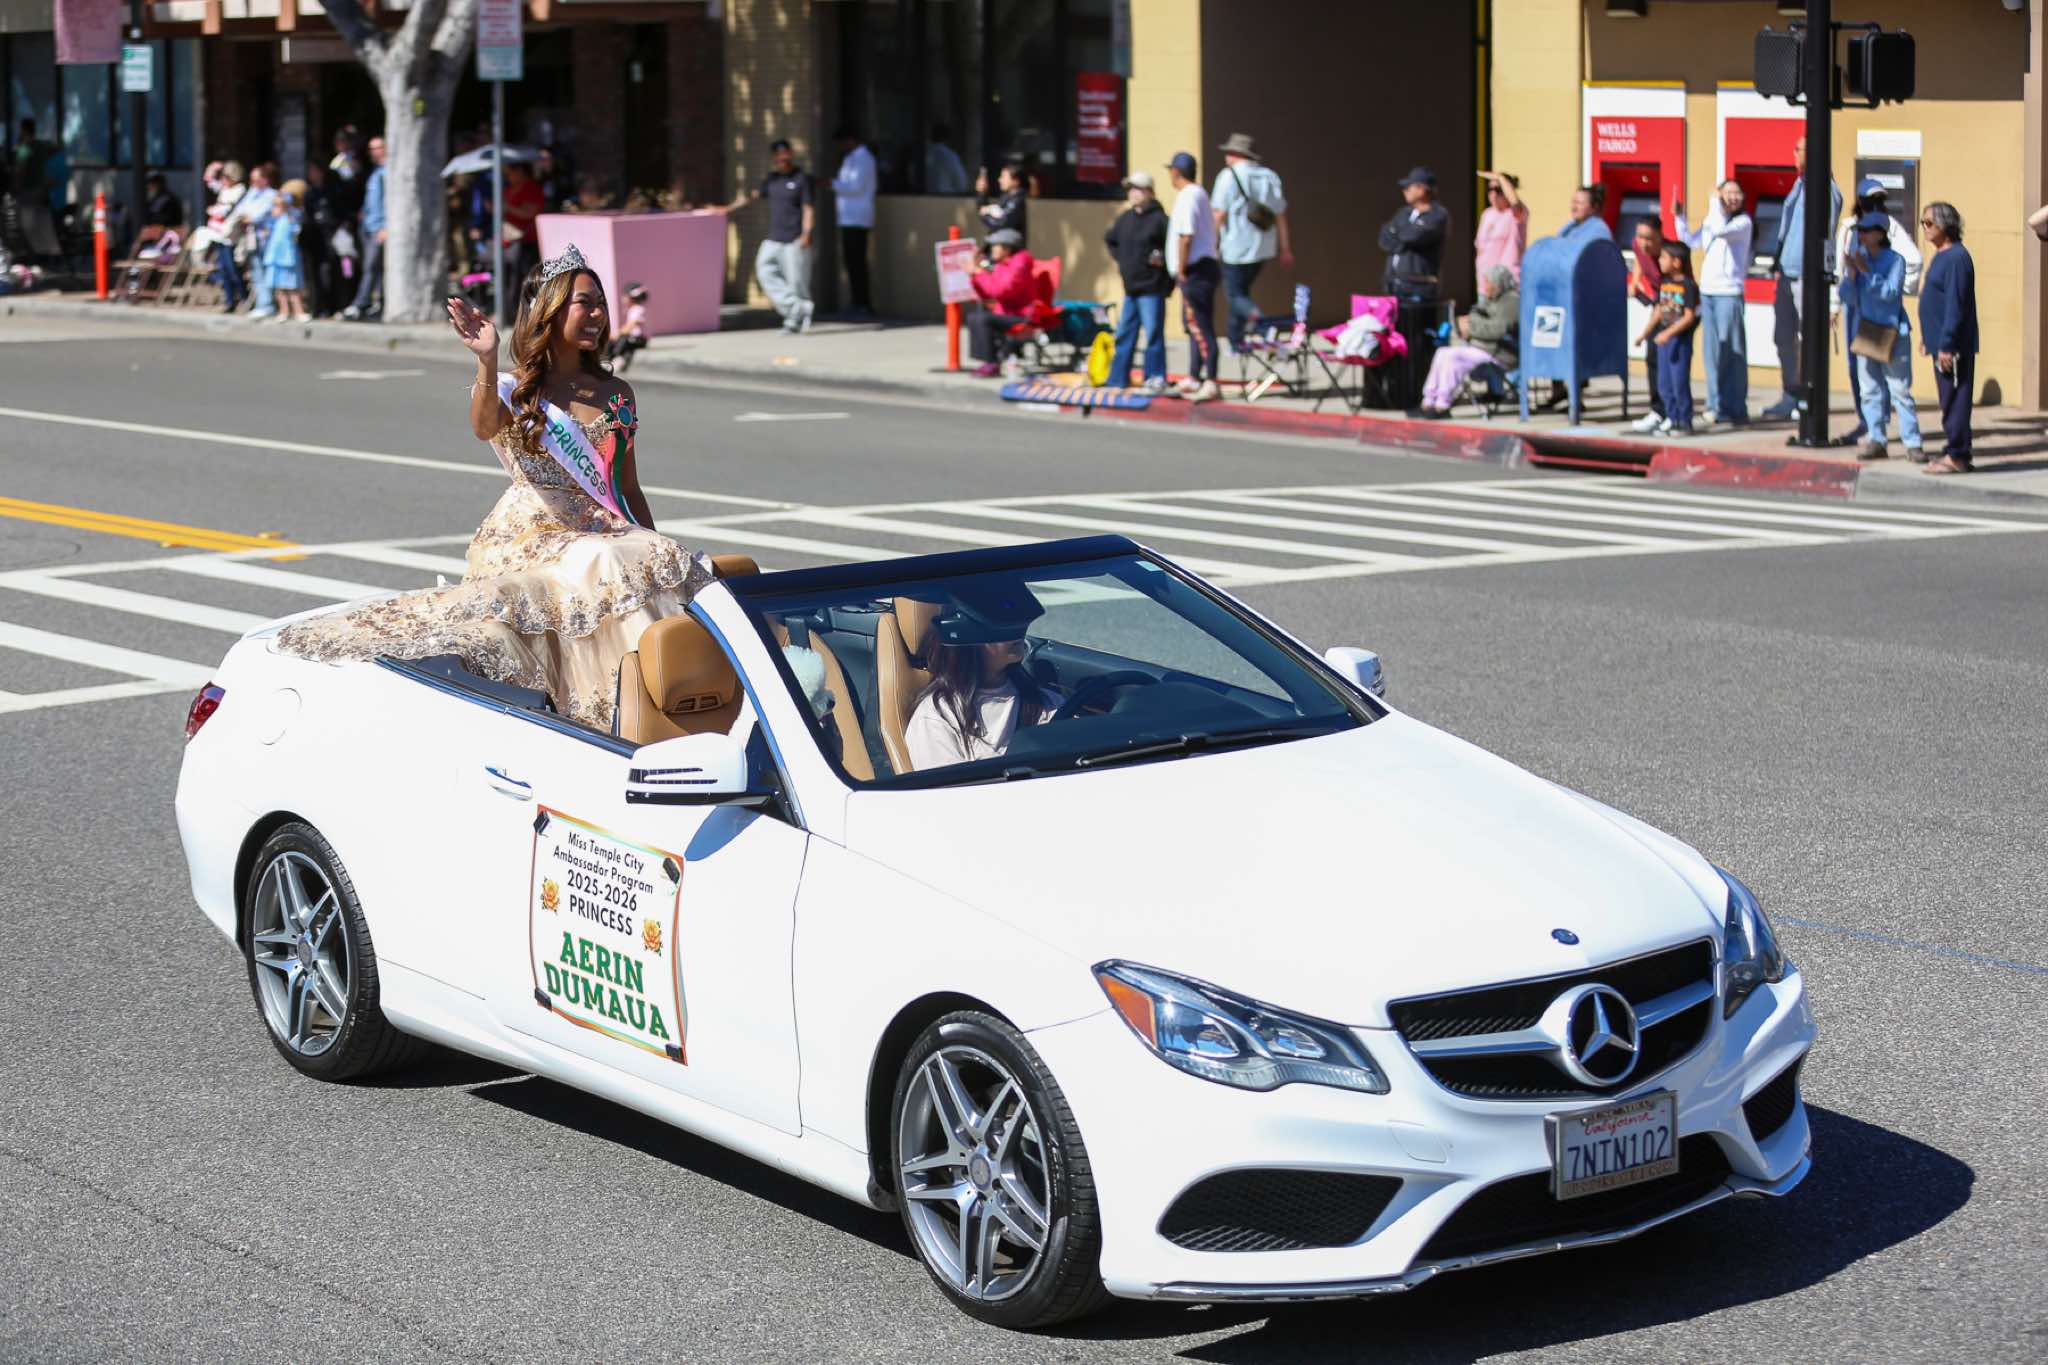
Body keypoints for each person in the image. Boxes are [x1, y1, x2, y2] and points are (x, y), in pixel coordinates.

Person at [277, 245, 715, 728]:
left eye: (601, 304)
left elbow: (627, 486)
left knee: (640, 558)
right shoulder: (515, 387)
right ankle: (622, 706)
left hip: (598, 528)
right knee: (603, 561)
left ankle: (666, 699)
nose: (597, 315)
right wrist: (486, 360)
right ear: (549, 311)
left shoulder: (616, 393)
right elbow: (484, 426)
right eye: (584, 304)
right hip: (533, 533)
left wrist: (654, 546)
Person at [904, 583, 1057, 771]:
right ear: (965, 635)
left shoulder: (1044, 702)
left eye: (1019, 624)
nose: (1018, 633)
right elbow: (948, 787)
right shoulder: (937, 716)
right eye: (1003, 626)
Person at [1830, 178, 1920, 448]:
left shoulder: (1894, 258)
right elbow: (1846, 289)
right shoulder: (1849, 230)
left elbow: (1891, 290)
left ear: (1880, 233)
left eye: (1879, 200)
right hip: (1864, 322)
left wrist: (1867, 274)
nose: (1863, 234)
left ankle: (1912, 442)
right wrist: (1851, 277)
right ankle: (1874, 434)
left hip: (1890, 326)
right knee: (1867, 385)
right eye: (1870, 201)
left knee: (1899, 387)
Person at [1760, 136, 1841, 420]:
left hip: (1807, 276)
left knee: (1809, 339)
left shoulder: (1826, 189)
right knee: (1784, 338)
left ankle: (1808, 398)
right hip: (1786, 274)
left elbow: (1827, 235)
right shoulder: (1798, 184)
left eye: (1799, 149)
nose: (1794, 153)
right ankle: (1790, 394)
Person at [1674, 179, 1752, 426]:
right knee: (1712, 352)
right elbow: (1691, 241)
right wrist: (1679, 218)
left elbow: (1719, 230)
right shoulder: (1714, 218)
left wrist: (1714, 202)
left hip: (1729, 292)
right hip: (1708, 292)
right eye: (1728, 192)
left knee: (1732, 351)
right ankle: (1714, 404)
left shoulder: (1743, 222)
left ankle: (1734, 407)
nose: (1732, 197)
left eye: (1737, 192)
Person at [722, 139, 815, 335]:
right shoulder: (772, 179)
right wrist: (727, 209)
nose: (783, 157)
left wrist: (806, 233)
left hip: (794, 239)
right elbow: (751, 196)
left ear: (790, 154)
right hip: (774, 238)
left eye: (786, 153)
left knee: (796, 282)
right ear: (774, 158)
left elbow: (808, 208)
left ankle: (795, 320)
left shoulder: (801, 179)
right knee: (764, 270)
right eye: (778, 155)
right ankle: (796, 307)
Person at [1210, 132, 1291, 353]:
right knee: (1241, 293)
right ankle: (1236, 342)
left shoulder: (1227, 177)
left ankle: (1264, 328)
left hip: (1235, 246)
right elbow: (1280, 215)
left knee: (1235, 295)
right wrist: (1285, 248)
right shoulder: (1270, 176)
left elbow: (1219, 214)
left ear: (1235, 154)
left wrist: (1211, 244)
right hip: (1263, 247)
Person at [1918, 202, 1977, 476]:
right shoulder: (1942, 256)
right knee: (1948, 400)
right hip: (1940, 343)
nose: (1925, 228)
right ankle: (1954, 450)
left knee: (1955, 401)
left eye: (1929, 223)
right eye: (1923, 223)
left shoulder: (1956, 258)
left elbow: (1956, 305)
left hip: (1952, 346)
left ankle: (1958, 455)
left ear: (1945, 226)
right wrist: (1928, 337)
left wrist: (1947, 345)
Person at [1418, 265, 1519, 416]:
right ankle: (1429, 399)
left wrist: (1471, 328)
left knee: (1453, 357)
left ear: (1498, 282)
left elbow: (1498, 330)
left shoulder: (1511, 301)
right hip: (1484, 348)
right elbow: (1476, 314)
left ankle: (1443, 403)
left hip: (1501, 353)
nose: (1485, 286)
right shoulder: (1491, 299)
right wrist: (1468, 324)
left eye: (1488, 282)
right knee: (1442, 352)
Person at [1104, 169, 1172, 393]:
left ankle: (1154, 377)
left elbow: (1172, 250)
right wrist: (1123, 259)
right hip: (1131, 289)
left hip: (1152, 288)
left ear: (1150, 192)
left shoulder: (1160, 220)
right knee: (1124, 334)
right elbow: (1111, 240)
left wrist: (1162, 267)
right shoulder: (1126, 218)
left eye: (1138, 189)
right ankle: (1117, 378)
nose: (1133, 193)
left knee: (1153, 334)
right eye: (1131, 189)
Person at [1165, 151, 1221, 402]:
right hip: (1202, 267)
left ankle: (1211, 380)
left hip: (1196, 269)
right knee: (1193, 326)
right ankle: (1194, 376)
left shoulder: (1189, 195)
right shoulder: (1198, 194)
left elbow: (1186, 236)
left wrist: (1181, 270)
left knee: (1201, 325)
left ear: (1176, 172)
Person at [965, 228, 1038, 377]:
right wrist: (975, 275)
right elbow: (988, 293)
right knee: (975, 317)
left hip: (1022, 315)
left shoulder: (1020, 262)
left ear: (1007, 248)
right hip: (1006, 313)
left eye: (995, 246)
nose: (992, 249)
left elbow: (1001, 290)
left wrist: (979, 274)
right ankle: (989, 361)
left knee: (982, 319)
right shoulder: (1002, 264)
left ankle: (991, 363)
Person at [1650, 242, 1701, 436]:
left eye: (1664, 257)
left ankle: (1684, 422)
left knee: (1679, 382)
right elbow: (1659, 311)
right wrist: (1645, 334)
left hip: (1679, 340)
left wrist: (1668, 333)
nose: (1660, 261)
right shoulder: (1664, 283)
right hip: (1663, 341)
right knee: (1664, 384)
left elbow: (1689, 317)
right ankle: (1672, 419)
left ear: (1677, 262)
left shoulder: (1688, 286)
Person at [1378, 166, 1449, 302]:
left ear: (1422, 189)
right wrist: (1400, 236)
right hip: (1394, 285)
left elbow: (1412, 236)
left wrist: (1397, 234)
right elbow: (1384, 239)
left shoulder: (1437, 215)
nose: (1405, 191)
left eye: (1408, 187)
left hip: (1419, 288)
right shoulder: (1403, 213)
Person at [831, 125, 877, 317]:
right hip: (849, 217)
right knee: (851, 261)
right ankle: (857, 301)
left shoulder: (864, 158)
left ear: (851, 140)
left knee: (857, 262)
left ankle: (862, 303)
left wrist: (832, 184)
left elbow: (856, 186)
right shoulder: (851, 158)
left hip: (858, 217)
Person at [1625, 219, 1667, 431]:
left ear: (1660, 236)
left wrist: (1643, 334)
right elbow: (1639, 259)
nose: (1643, 243)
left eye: (1649, 239)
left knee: (1664, 358)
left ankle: (1669, 412)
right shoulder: (1638, 245)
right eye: (1640, 237)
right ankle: (1658, 411)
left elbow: (1662, 308)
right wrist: (1635, 282)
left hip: (1674, 306)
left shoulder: (1667, 258)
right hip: (1659, 301)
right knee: (1653, 358)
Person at [226, 164, 281, 318]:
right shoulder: (252, 193)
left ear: (265, 179)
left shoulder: (272, 195)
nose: (253, 183)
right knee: (256, 272)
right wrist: (246, 215)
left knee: (267, 271)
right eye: (252, 180)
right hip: (252, 239)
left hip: (266, 240)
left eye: (256, 180)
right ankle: (262, 304)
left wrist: (247, 216)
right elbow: (240, 211)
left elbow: (256, 216)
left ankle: (269, 304)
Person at [342, 135, 388, 320]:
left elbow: (390, 202)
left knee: (371, 266)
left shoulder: (388, 171)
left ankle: (360, 303)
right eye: (371, 148)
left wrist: (386, 226)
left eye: (377, 147)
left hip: (379, 227)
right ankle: (374, 303)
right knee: (372, 267)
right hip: (367, 226)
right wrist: (363, 212)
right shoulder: (375, 172)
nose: (373, 152)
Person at [10, 119, 60, 257]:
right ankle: (52, 252)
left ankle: (38, 253)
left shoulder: (25, 148)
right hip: (42, 190)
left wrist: (15, 186)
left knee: (27, 224)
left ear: (24, 130)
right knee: (42, 222)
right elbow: (56, 148)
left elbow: (20, 170)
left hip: (28, 190)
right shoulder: (42, 145)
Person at [262, 189, 309, 322]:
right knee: (279, 288)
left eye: (276, 207)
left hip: (288, 258)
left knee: (293, 287)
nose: (273, 209)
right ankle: (284, 311)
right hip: (275, 258)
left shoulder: (290, 219)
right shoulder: (273, 223)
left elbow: (296, 227)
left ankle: (298, 311)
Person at [1474, 170, 1528, 283]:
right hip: (1486, 284)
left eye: (1498, 190)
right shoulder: (1486, 214)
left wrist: (1501, 178)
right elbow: (1480, 248)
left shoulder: (1515, 214)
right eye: (1490, 190)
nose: (1493, 194)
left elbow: (1515, 202)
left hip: (1508, 284)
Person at [502, 159, 545, 291]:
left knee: (524, 279)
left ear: (520, 171)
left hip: (528, 240)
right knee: (510, 279)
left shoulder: (532, 188)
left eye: (509, 173)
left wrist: (507, 207)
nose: (507, 177)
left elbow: (529, 213)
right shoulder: (509, 189)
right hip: (509, 240)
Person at [975, 161, 1029, 241]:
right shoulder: (1006, 197)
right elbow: (988, 210)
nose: (999, 180)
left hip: (1009, 246)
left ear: (1016, 181)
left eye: (1003, 177)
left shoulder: (1018, 199)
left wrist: (985, 212)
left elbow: (1001, 222)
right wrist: (982, 193)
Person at [608, 281, 651, 371]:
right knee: (624, 341)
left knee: (622, 339)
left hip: (639, 339)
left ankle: (612, 358)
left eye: (624, 296)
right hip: (634, 339)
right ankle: (619, 360)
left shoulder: (638, 309)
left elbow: (630, 326)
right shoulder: (634, 309)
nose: (622, 299)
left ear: (631, 298)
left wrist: (617, 334)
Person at [924, 125, 970, 195]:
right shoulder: (949, 156)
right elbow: (961, 183)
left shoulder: (924, 153)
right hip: (945, 197)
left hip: (924, 196)